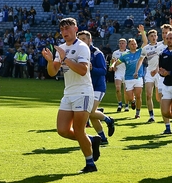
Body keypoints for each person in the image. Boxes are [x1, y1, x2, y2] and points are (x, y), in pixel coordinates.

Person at [42, 18, 102, 174]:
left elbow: (83, 70)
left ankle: (90, 164)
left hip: (83, 92)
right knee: (62, 130)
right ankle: (91, 140)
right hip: (68, 92)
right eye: (62, 29)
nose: (64, 32)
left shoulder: (82, 47)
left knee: (78, 129)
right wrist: (50, 61)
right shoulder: (61, 48)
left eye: (67, 28)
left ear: (76, 29)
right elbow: (52, 72)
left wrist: (64, 59)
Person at [78, 31, 116, 144]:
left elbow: (103, 71)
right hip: (86, 87)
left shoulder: (97, 53)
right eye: (79, 39)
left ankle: (109, 120)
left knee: (89, 112)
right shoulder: (79, 53)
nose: (81, 41)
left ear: (90, 40)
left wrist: (92, 69)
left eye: (84, 39)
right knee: (92, 114)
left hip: (98, 87)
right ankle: (103, 138)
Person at [114, 33, 145, 119]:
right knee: (129, 97)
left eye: (135, 44)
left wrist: (143, 33)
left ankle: (137, 113)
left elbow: (145, 42)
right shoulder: (125, 55)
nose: (134, 45)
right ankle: (132, 101)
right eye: (132, 44)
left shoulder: (140, 51)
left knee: (139, 96)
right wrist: (112, 66)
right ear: (129, 45)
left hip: (138, 77)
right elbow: (117, 62)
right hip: (128, 78)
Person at [109, 38, 128, 112]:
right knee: (118, 89)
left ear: (126, 44)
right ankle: (120, 104)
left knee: (126, 90)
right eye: (120, 43)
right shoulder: (115, 53)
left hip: (126, 72)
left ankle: (126, 105)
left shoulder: (128, 52)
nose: (121, 44)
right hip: (118, 72)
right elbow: (112, 61)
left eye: (123, 43)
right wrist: (112, 66)